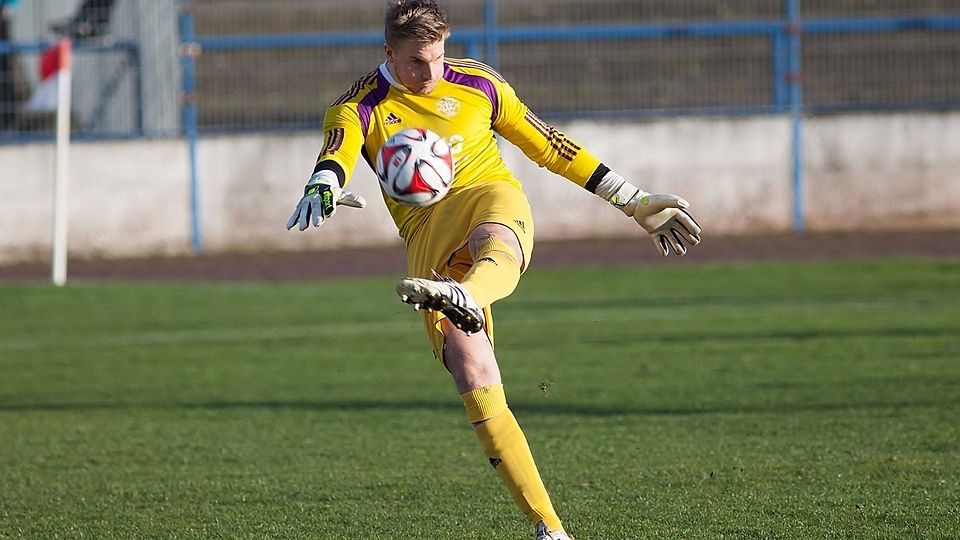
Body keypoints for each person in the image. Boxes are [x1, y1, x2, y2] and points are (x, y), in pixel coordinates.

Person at [286, 1, 701, 537]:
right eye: (415, 62)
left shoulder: (479, 83)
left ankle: (469, 295)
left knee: (494, 237)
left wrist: (632, 200)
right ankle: (550, 528)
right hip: (428, 238)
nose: (430, 72)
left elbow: (548, 145)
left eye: (437, 57)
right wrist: (324, 182)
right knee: (475, 374)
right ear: (388, 52)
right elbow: (337, 153)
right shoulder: (359, 106)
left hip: (489, 197)